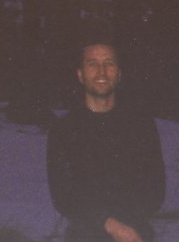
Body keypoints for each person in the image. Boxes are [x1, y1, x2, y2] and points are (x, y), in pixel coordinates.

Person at [46, 42, 166, 242]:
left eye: (108, 63)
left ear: (118, 73)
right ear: (80, 75)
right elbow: (63, 196)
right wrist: (110, 225)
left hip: (135, 233)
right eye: (92, 64)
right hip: (85, 234)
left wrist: (128, 228)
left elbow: (155, 189)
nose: (101, 71)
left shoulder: (140, 125)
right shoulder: (64, 130)